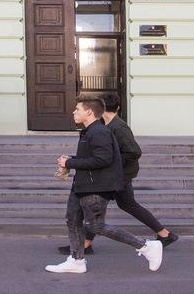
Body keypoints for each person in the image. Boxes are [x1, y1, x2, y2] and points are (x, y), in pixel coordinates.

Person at [45, 97, 163, 275]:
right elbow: (93, 157)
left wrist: (70, 164)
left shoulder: (99, 132)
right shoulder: (89, 131)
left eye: (77, 109)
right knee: (72, 219)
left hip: (95, 187)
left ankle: (146, 246)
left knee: (96, 225)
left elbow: (103, 159)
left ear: (89, 112)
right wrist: (71, 160)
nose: (73, 112)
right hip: (82, 185)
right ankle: (76, 261)